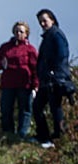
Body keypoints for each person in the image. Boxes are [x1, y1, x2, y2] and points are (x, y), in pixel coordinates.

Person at [32, 8, 75, 148]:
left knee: (55, 108)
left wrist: (53, 72)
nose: (43, 24)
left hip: (55, 79)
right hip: (46, 80)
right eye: (40, 22)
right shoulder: (47, 37)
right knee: (38, 106)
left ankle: (58, 138)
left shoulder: (56, 34)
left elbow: (62, 55)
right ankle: (44, 136)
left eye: (44, 20)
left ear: (52, 19)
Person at [0, 21, 38, 138]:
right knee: (6, 109)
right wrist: (2, 64)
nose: (18, 33)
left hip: (25, 84)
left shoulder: (30, 49)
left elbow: (35, 68)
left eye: (21, 31)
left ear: (26, 34)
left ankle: (22, 135)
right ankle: (8, 134)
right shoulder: (5, 47)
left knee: (25, 110)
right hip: (8, 83)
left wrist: (35, 85)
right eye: (16, 31)